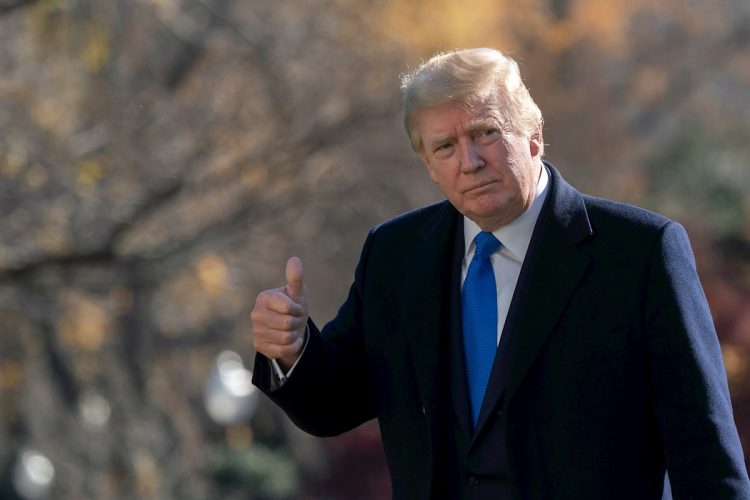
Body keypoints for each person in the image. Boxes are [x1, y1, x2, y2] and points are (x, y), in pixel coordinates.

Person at [250, 48, 750, 499]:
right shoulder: (395, 254)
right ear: (427, 163)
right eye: (444, 147)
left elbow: (704, 452)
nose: (469, 161)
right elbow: (334, 404)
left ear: (533, 134)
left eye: (486, 132)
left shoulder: (640, 251)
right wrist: (293, 351)